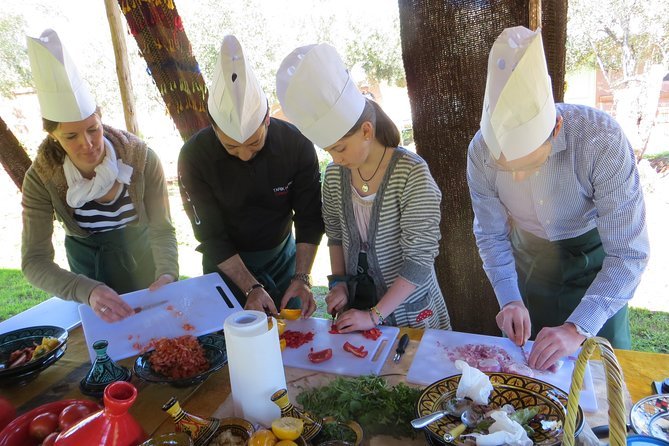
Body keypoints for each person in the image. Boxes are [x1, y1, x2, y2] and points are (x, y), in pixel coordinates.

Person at [467, 26, 649, 369]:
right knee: (532, 377)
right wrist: (509, 300)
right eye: (508, 167)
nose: (518, 177)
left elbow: (628, 253)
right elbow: (490, 234)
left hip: (596, 266)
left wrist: (577, 328)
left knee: (600, 379)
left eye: (529, 163)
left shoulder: (601, 140)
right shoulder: (479, 153)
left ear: (557, 130)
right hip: (531, 266)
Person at [276, 43, 451, 331]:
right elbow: (335, 236)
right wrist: (340, 283)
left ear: (366, 131)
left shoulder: (412, 175)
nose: (335, 159)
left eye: (340, 148)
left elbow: (418, 262)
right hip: (359, 310)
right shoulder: (334, 176)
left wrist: (374, 315)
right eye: (329, 151)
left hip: (412, 313)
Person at [22, 29, 179, 323]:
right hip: (89, 279)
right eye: (71, 136)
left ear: (100, 118)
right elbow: (34, 261)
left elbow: (161, 228)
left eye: (93, 129)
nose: (88, 143)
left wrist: (168, 273)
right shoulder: (41, 178)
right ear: (53, 136)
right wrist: (86, 290)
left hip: (147, 269)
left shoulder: (141, 159)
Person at [178, 35, 324, 317]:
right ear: (214, 129)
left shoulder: (297, 145)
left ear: (267, 119)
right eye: (231, 146)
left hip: (283, 258)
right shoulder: (194, 157)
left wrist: (302, 278)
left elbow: (308, 218)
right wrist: (250, 287)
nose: (244, 154)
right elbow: (210, 234)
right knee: (233, 342)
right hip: (226, 265)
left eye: (254, 143)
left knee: (292, 339)